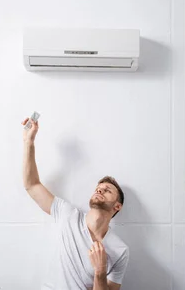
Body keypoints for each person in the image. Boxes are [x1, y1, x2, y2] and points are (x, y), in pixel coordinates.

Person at [21, 117, 129, 290]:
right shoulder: (68, 214)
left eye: (107, 190)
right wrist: (29, 141)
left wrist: (100, 272)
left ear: (117, 206)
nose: (99, 190)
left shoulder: (120, 250)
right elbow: (32, 185)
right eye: (98, 188)